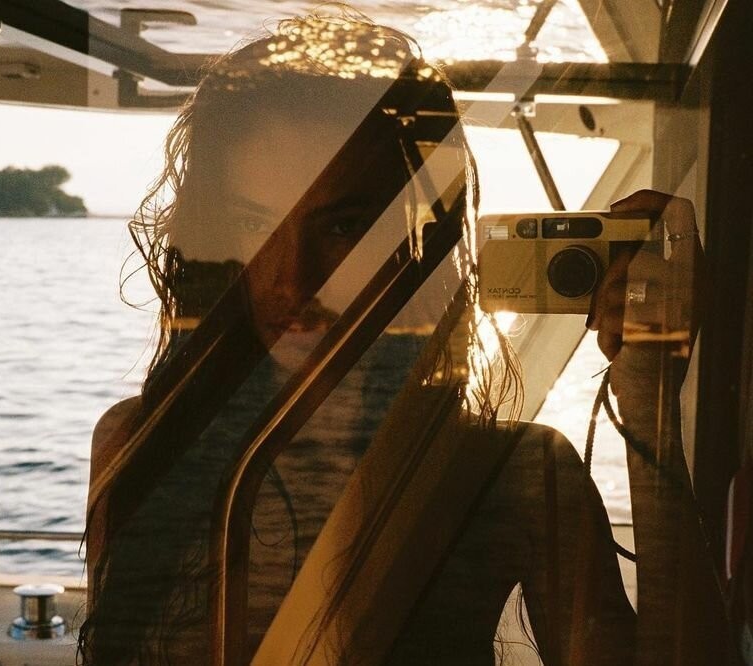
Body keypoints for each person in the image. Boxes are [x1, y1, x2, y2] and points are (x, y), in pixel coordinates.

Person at [79, 8, 705, 664]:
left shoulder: (519, 473)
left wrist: (650, 401)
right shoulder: (138, 444)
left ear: (418, 241)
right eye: (254, 223)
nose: (293, 280)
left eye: (342, 227)